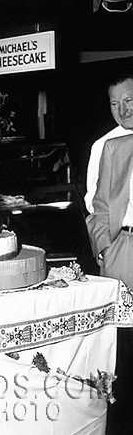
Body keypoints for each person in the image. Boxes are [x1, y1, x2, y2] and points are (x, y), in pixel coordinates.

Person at [86, 133, 133, 435]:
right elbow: (99, 206)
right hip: (125, 248)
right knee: (124, 355)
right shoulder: (114, 148)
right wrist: (105, 248)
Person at [84, 71, 133, 214]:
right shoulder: (103, 145)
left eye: (128, 101)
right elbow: (92, 201)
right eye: (114, 103)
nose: (122, 110)